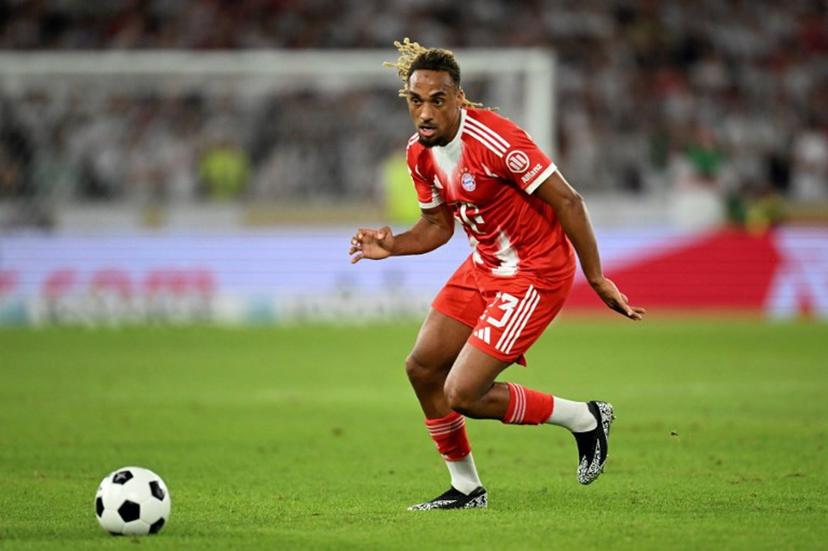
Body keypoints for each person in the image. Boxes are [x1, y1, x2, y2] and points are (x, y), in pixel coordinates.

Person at [349, 38, 646, 510]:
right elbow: (436, 226)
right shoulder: (419, 153)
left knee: (463, 392)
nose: (425, 112)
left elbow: (569, 201)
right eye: (415, 100)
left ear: (459, 98)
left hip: (535, 272)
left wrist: (596, 277)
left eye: (437, 100)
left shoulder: (497, 141)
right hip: (484, 264)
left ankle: (585, 418)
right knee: (422, 368)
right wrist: (392, 246)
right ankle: (467, 488)